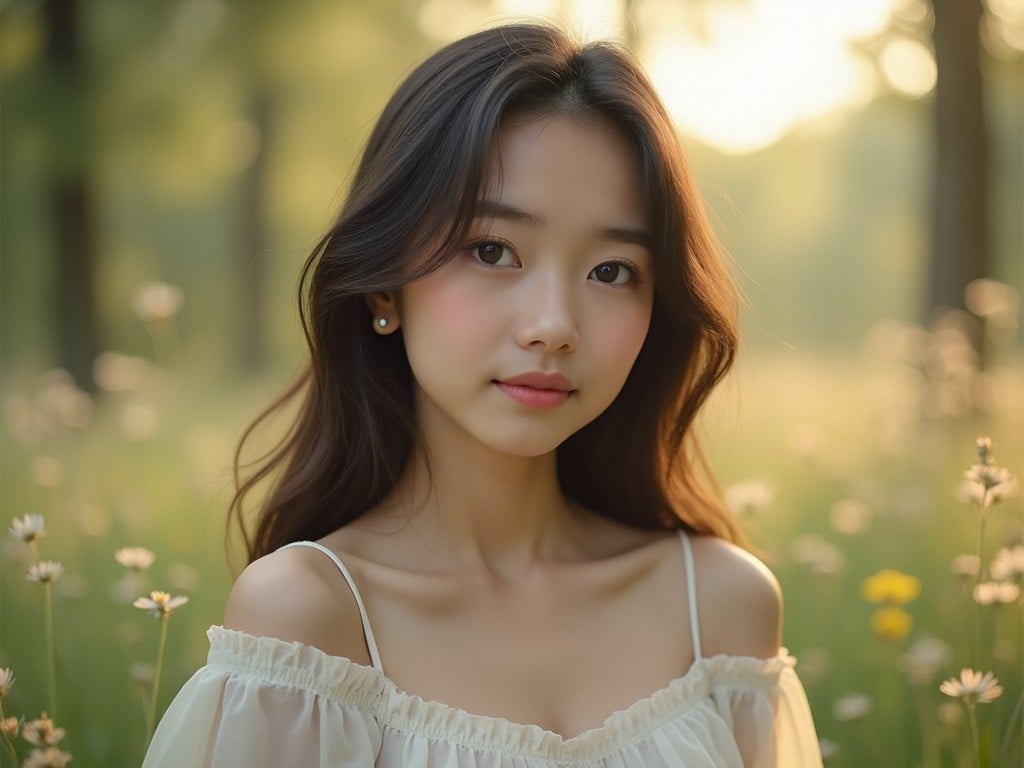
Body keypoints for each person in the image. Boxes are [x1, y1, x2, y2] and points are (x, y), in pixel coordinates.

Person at [143, 21, 822, 767]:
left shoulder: (721, 606)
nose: (555, 326)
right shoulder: (312, 620)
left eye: (612, 270)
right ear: (384, 288)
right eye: (493, 251)